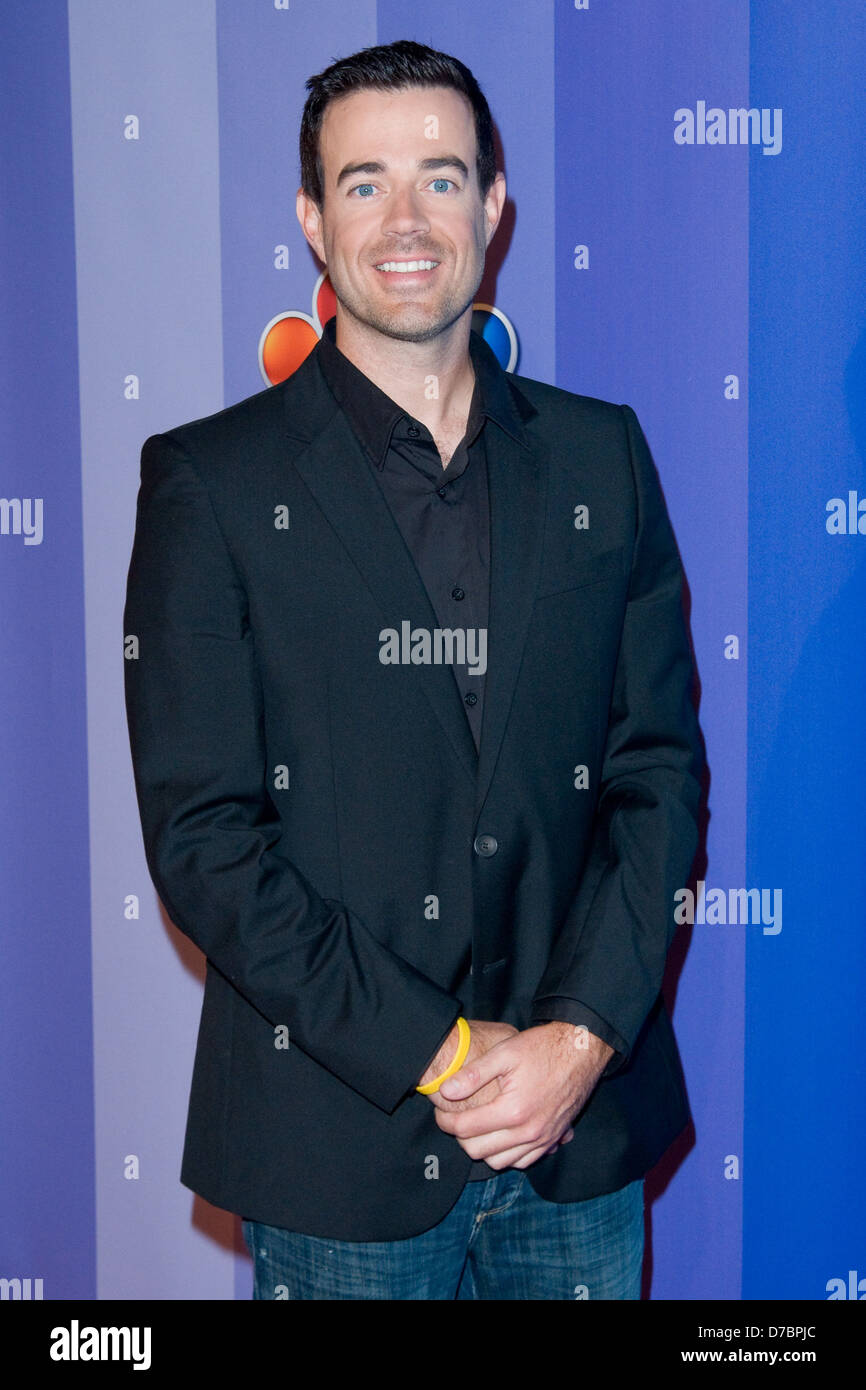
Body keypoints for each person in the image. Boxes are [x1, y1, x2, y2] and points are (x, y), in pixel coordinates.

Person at [123, 38, 704, 1300]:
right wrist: (439, 1051)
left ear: (492, 210)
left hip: (575, 1138)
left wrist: (578, 1037)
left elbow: (655, 770)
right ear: (310, 220)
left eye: (441, 180)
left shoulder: (601, 460)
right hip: (339, 1146)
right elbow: (206, 837)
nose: (404, 220)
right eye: (364, 181)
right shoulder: (211, 485)